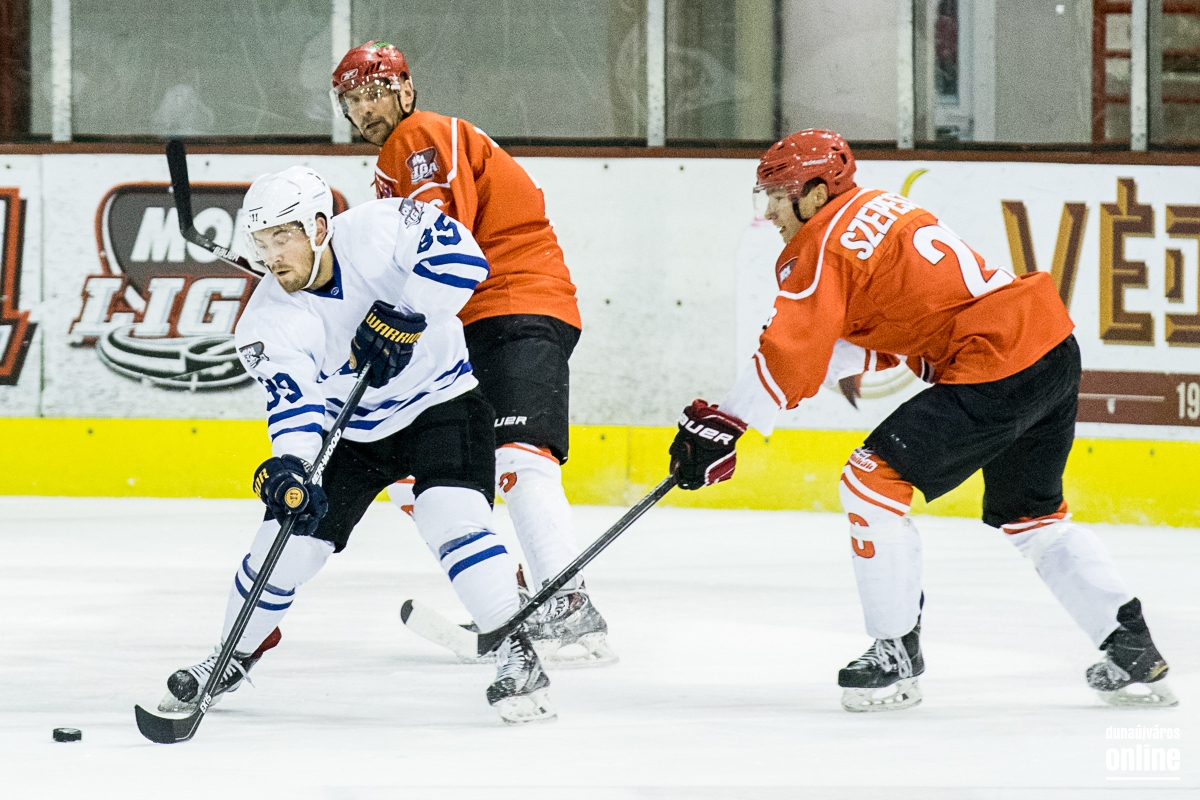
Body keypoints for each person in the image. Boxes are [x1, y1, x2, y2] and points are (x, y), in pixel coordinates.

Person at [667, 129, 1176, 712]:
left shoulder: (821, 243)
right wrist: (740, 413)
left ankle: (895, 654)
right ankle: (1132, 647)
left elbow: (793, 354)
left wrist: (727, 423)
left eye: (779, 196)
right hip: (1050, 347)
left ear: (815, 192)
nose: (771, 212)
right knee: (1032, 517)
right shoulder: (878, 208)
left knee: (870, 481)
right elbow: (873, 340)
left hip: (995, 361)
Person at [157, 166, 555, 725]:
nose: (271, 256)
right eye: (261, 242)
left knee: (449, 516)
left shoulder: (380, 227)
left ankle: (517, 652)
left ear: (320, 227)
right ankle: (230, 655)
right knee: (285, 542)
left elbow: (464, 258)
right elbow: (296, 409)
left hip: (441, 403)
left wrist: (407, 315)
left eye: (283, 237)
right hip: (353, 433)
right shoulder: (266, 322)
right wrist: (292, 467)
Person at [328, 41, 612, 666]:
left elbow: (439, 235)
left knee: (519, 457)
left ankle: (565, 602)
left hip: (514, 305)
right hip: (474, 322)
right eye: (353, 100)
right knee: (419, 465)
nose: (364, 109)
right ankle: (511, 599)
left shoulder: (418, 137)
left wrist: (390, 313)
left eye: (375, 93)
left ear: (406, 91)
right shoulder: (395, 161)